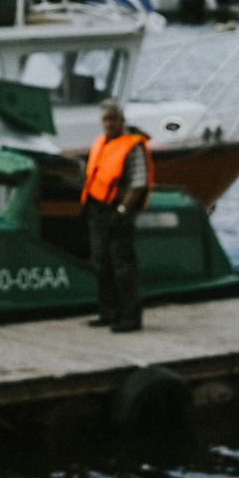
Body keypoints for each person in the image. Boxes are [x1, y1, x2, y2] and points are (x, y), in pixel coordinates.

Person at [82, 101, 151, 333]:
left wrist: (122, 211)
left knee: (122, 265)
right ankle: (108, 312)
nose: (109, 124)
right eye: (106, 120)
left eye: (113, 119)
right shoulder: (101, 143)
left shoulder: (133, 146)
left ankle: (131, 317)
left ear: (122, 121)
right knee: (101, 263)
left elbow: (138, 184)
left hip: (119, 211)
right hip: (98, 209)